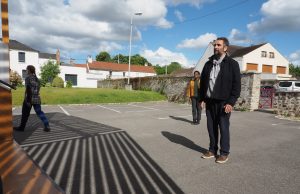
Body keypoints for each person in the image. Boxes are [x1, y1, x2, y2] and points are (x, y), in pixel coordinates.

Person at [199, 37, 241, 163]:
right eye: (214, 45)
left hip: (224, 103)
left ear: (225, 47)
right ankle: (212, 150)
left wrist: (231, 102)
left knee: (223, 128)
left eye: (218, 45)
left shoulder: (232, 64)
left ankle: (224, 152)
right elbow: (203, 83)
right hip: (210, 102)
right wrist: (202, 99)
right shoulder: (208, 64)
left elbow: (236, 86)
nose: (215, 47)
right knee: (211, 128)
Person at [14, 65, 51, 132]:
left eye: (26, 69)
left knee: (25, 114)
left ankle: (21, 128)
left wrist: (27, 100)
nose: (26, 71)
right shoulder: (37, 79)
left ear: (29, 70)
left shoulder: (27, 78)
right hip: (37, 98)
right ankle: (47, 125)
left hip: (29, 99)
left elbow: (28, 90)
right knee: (40, 113)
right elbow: (38, 89)